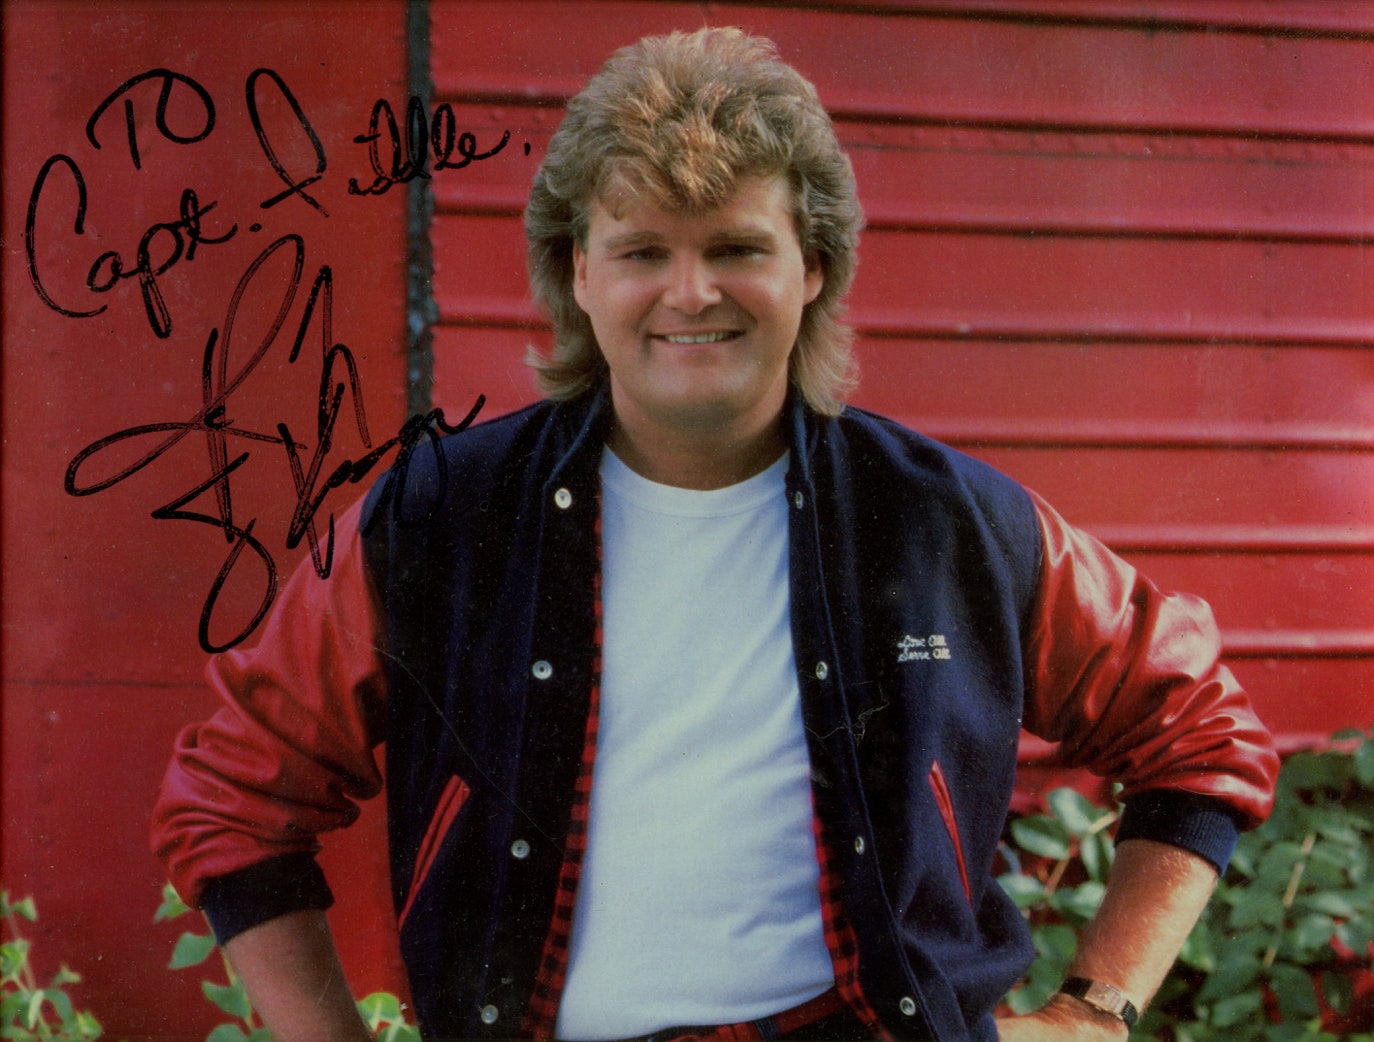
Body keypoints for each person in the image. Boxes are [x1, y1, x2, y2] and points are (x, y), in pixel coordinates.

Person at [151, 26, 1279, 1042]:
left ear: (813, 267)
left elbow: (1199, 730)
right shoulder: (439, 516)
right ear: (578, 273)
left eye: (737, 247)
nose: (691, 294)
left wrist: (1095, 1010)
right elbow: (235, 795)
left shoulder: (947, 521)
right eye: (643, 251)